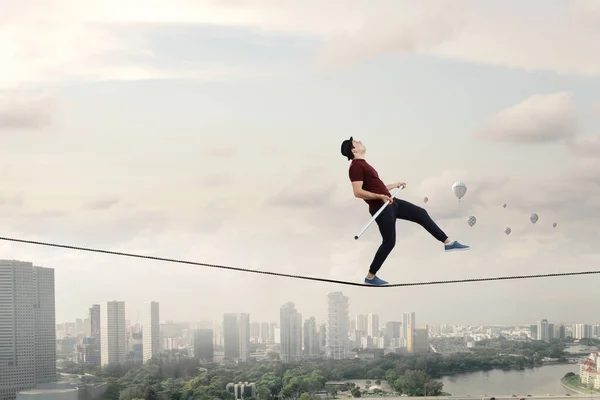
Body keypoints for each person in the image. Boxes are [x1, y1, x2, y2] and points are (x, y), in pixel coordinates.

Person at [341, 137, 470, 286]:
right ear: (354, 150)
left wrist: (395, 185)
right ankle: (370, 277)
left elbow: (377, 187)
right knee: (389, 242)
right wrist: (380, 197)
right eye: (356, 142)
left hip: (391, 203)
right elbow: (357, 192)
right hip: (381, 209)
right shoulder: (355, 166)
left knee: (421, 213)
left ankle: (448, 243)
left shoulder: (364, 164)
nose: (359, 141)